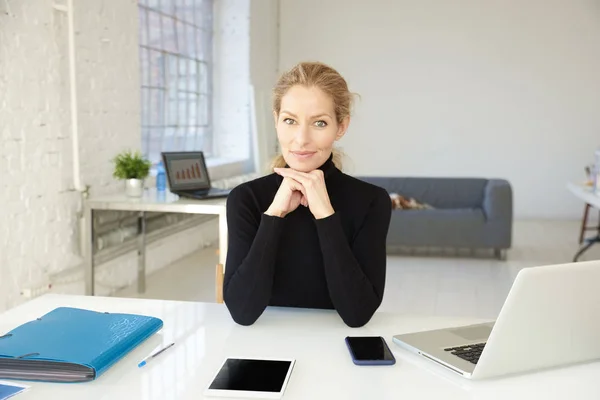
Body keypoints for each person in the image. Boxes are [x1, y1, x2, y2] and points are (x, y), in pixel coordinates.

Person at [223, 61, 392, 327]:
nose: (301, 139)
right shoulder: (246, 199)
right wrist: (274, 215)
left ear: (341, 126)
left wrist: (326, 215)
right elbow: (242, 312)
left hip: (337, 351)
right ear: (276, 121)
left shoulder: (372, 201)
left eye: (319, 123)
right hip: (265, 349)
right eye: (290, 120)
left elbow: (358, 314)